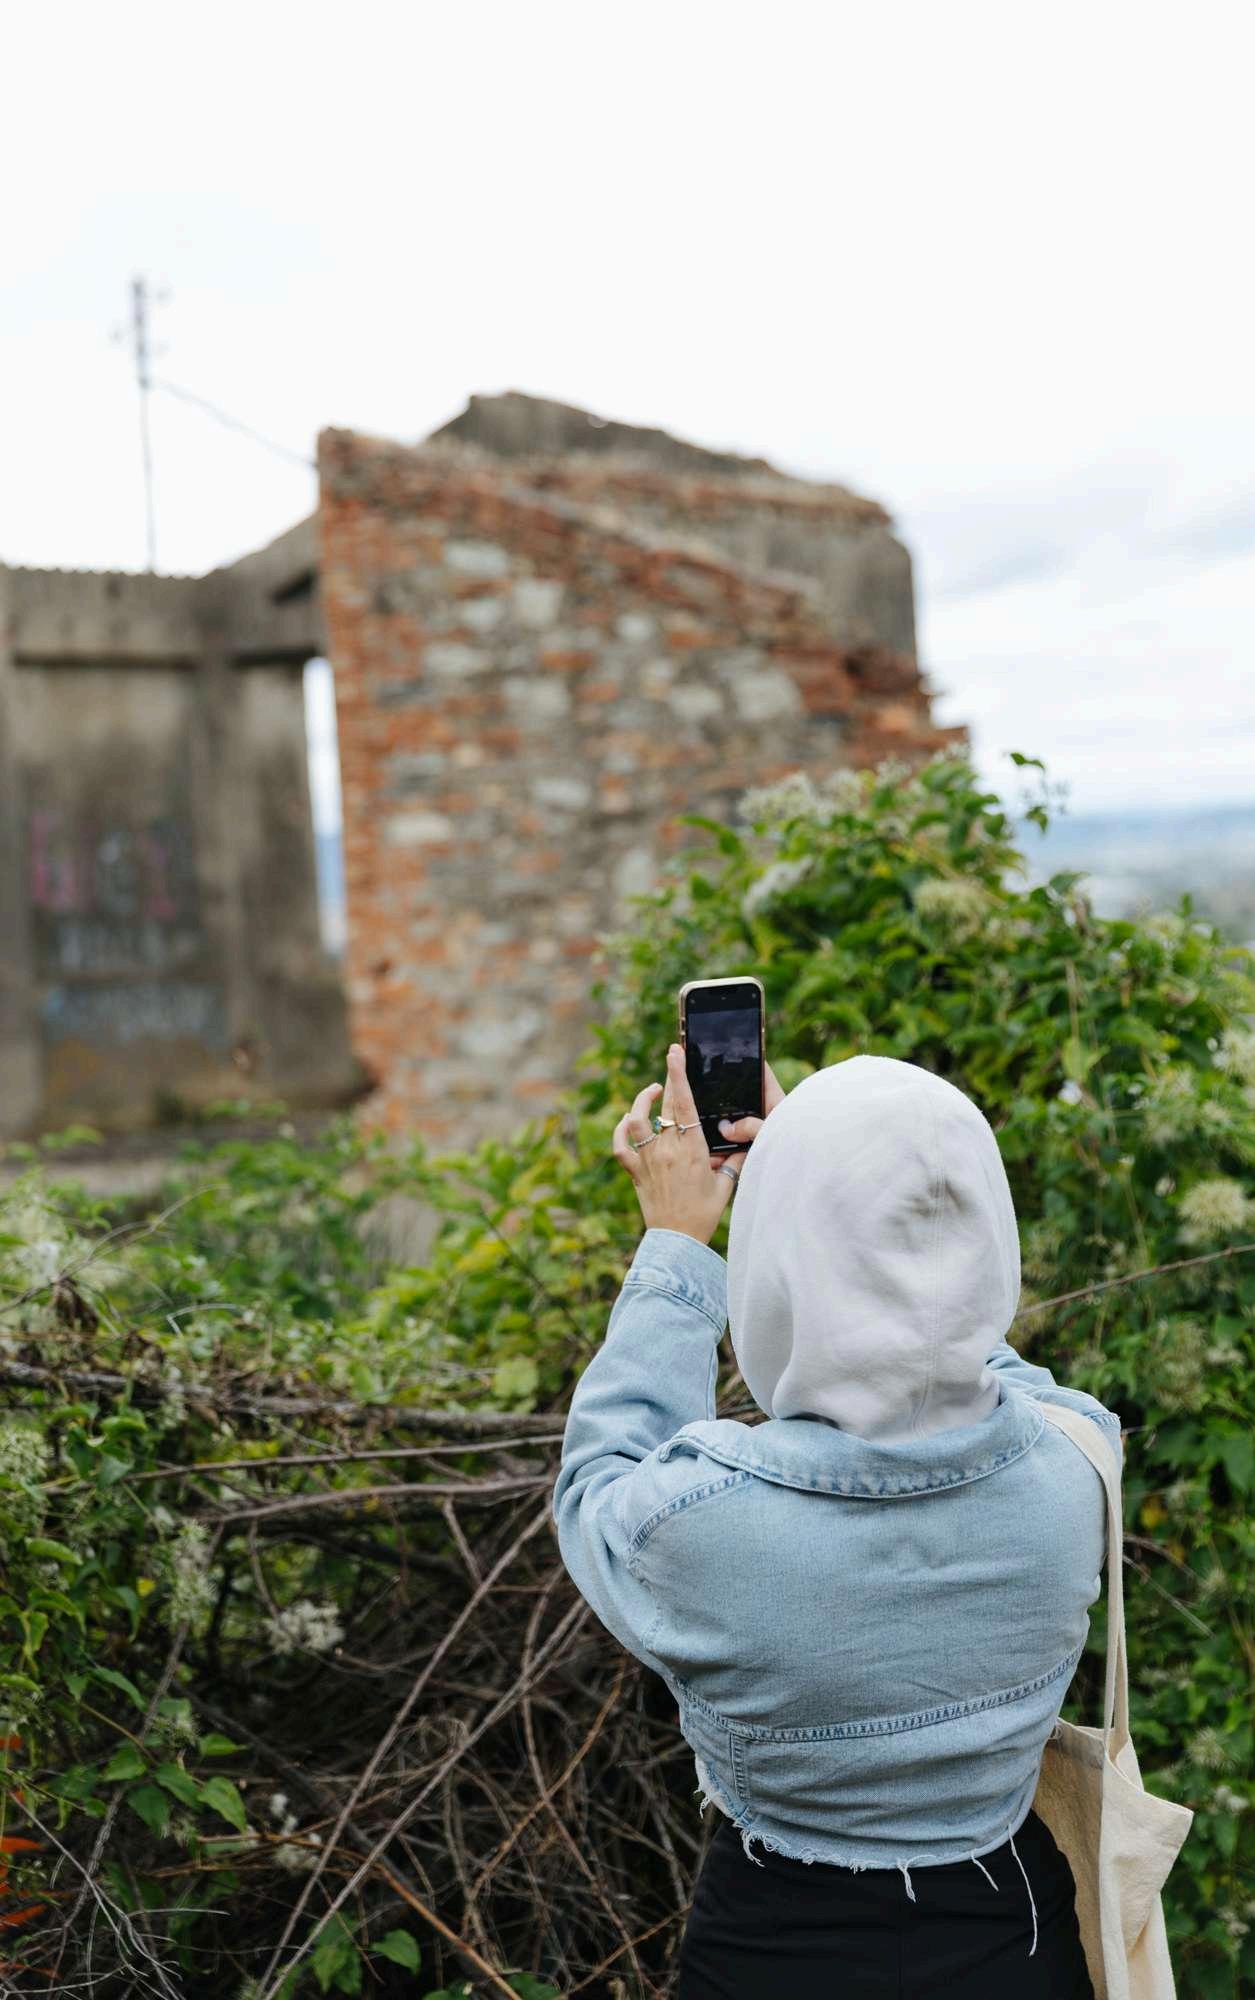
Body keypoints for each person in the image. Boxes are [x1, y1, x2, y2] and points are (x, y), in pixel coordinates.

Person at [552, 1045, 1121, 1998]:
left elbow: (596, 1483)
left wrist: (681, 1242)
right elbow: (966, 1343)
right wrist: (875, 1202)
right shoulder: (1079, 1463)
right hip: (1016, 1943)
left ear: (783, 1259)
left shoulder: (699, 1521)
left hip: (775, 1950)